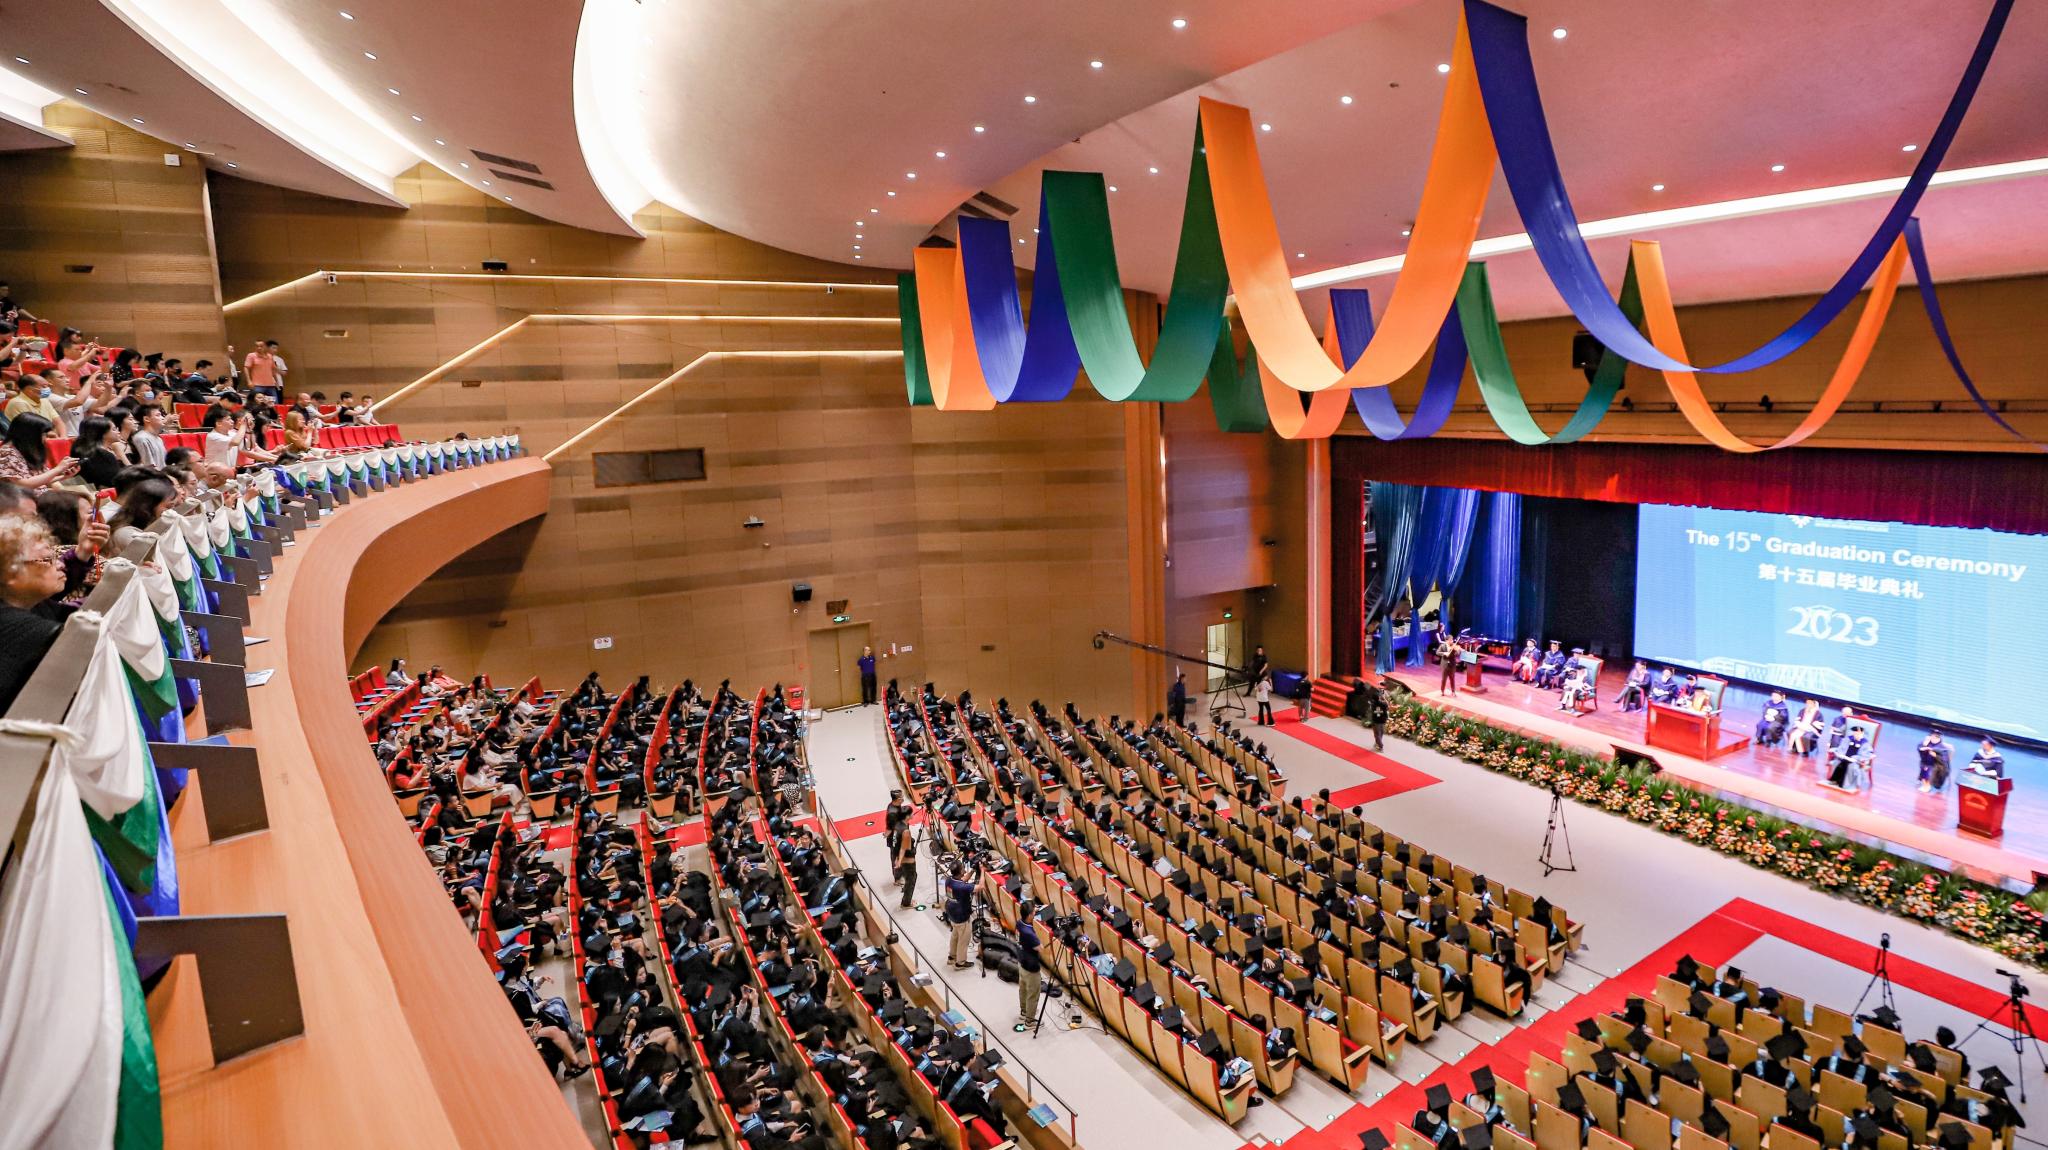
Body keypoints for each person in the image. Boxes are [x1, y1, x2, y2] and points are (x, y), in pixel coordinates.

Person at [0, 514, 70, 710]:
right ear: (10, 573)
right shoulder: (29, 630)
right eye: (47, 560)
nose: (61, 564)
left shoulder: (38, 606)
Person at [0, 413, 80, 490]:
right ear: (30, 434)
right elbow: (23, 485)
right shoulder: (7, 452)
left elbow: (40, 480)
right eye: (43, 434)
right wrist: (58, 469)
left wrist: (63, 476)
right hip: (23, 498)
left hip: (40, 494)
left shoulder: (26, 449)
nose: (45, 439)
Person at [1014, 900, 1043, 1032]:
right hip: (1031, 967)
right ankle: (1029, 1021)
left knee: (1023, 988)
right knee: (1033, 994)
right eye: (1033, 911)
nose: (1035, 912)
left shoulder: (1019, 923)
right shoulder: (1029, 933)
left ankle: (1024, 1011)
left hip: (1022, 962)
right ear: (1030, 915)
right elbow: (1040, 948)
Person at [943, 863, 976, 968]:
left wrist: (972, 871)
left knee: (955, 935)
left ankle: (952, 957)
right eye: (963, 869)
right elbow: (981, 886)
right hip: (961, 915)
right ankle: (960, 962)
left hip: (951, 912)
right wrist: (983, 871)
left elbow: (963, 880)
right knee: (963, 940)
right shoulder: (961, 887)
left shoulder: (949, 879)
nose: (964, 870)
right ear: (960, 871)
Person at [129, 403, 168, 468]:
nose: (162, 418)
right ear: (146, 419)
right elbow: (149, 465)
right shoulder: (141, 438)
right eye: (158, 415)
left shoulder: (159, 439)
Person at [891, 823, 918, 910]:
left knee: (909, 878)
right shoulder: (904, 831)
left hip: (902, 859)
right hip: (907, 861)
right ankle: (906, 903)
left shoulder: (897, 827)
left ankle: (898, 880)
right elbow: (904, 849)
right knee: (911, 879)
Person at [1363, 682, 1390, 752]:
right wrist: (1384, 698)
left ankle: (1380, 745)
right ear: (1379, 698)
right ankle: (1378, 743)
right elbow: (1388, 705)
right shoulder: (1383, 704)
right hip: (1383, 720)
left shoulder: (1372, 704)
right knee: (1381, 732)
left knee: (1376, 734)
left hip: (1376, 720)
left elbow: (1370, 708)